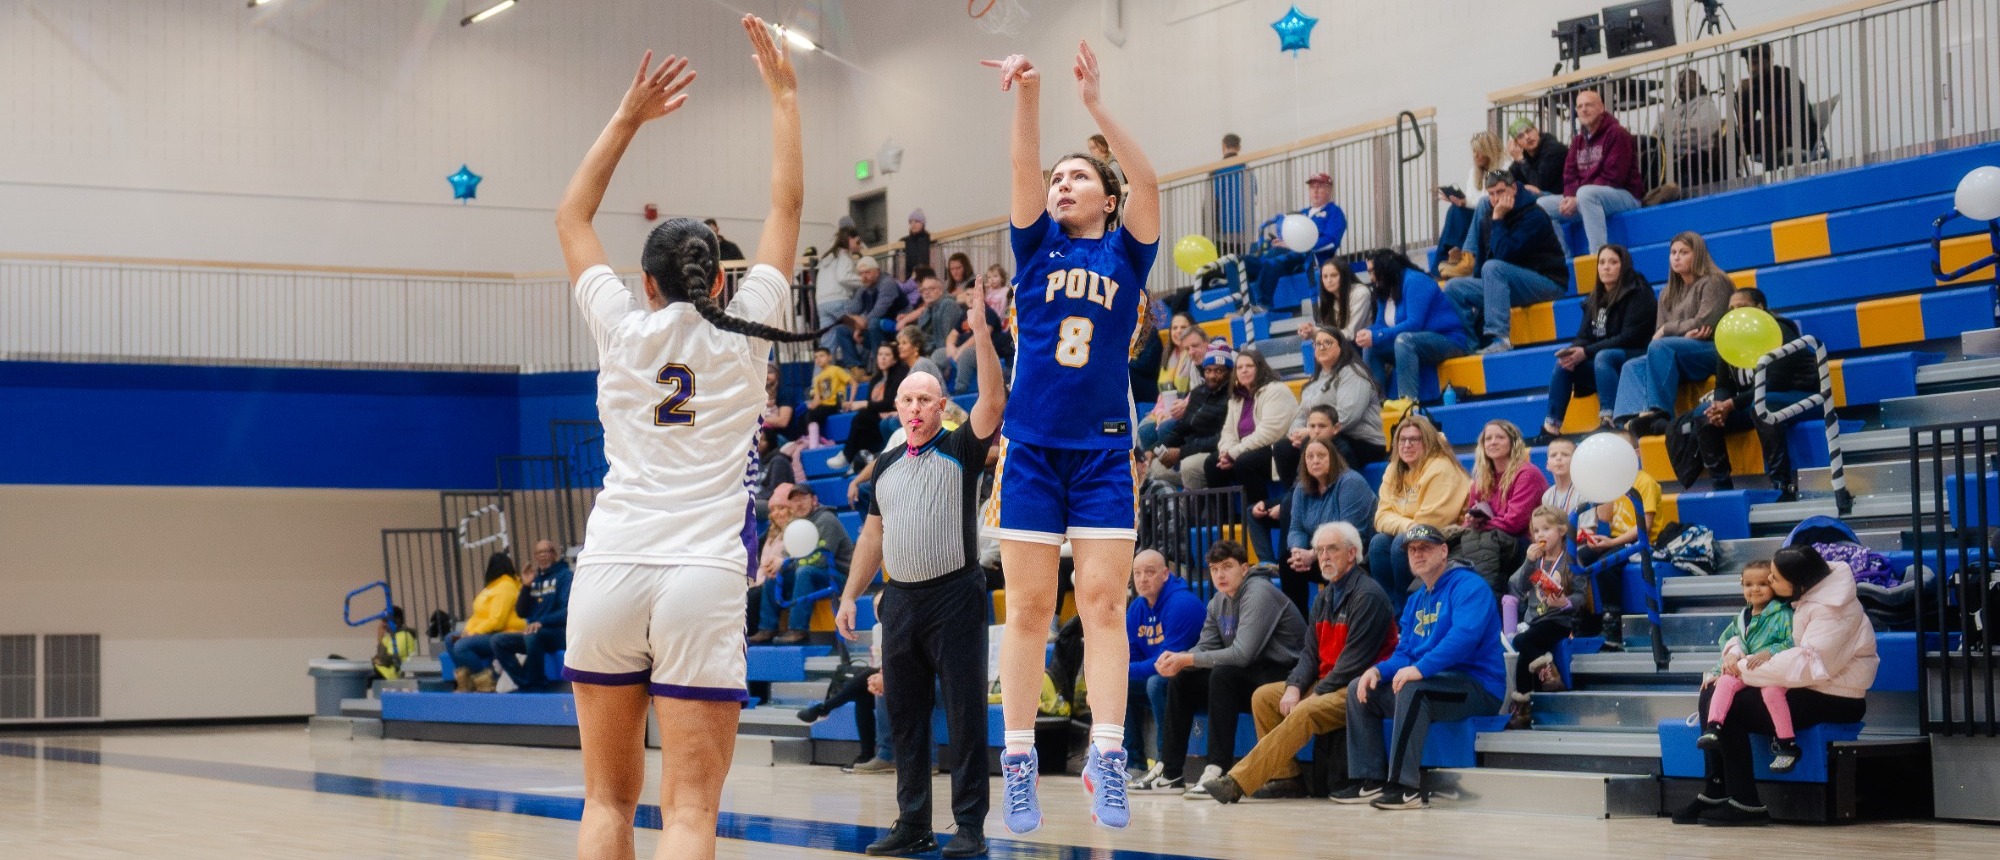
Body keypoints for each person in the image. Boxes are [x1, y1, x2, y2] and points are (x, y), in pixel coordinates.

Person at [551, 21, 825, 859]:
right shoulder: (747, 333)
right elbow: (787, 206)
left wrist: (630, 117)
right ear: (721, 277)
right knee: (692, 814)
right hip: (699, 578)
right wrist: (783, 97)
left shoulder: (620, 328)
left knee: (606, 805)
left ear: (645, 281)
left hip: (610, 568)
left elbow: (571, 214)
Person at [982, 40, 1161, 832]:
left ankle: (1109, 756)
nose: (1061, 182)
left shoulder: (1128, 251)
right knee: (1025, 608)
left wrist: (1094, 110)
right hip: (1029, 449)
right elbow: (1022, 171)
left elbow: (1150, 179)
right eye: (1058, 177)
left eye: (1077, 175)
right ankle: (1018, 760)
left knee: (1102, 604)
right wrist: (1028, 96)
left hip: (1100, 451)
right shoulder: (1033, 247)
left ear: (1107, 198)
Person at [828, 277, 1005, 858]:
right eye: (906, 399)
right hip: (898, 599)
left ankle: (971, 827)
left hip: (955, 594)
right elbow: (873, 534)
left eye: (925, 399)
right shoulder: (883, 466)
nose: (914, 407)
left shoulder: (960, 447)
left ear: (940, 406)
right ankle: (913, 823)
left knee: (963, 713)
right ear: (897, 407)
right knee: (903, 715)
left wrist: (980, 335)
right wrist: (853, 593)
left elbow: (994, 404)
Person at [1200, 521, 1396, 803]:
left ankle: (1237, 781)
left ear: (1352, 554)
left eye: (1332, 549)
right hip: (1328, 682)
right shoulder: (1325, 596)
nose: (1325, 556)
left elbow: (1353, 664)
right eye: (1320, 550)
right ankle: (1286, 778)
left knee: (1305, 711)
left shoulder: (1368, 596)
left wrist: (1312, 695)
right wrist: (1294, 687)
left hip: (1360, 687)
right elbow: (1308, 653)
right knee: (1264, 697)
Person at [1678, 545, 1875, 826]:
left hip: (1836, 696)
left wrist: (1740, 668)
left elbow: (1808, 666)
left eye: (1774, 578)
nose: (1768, 582)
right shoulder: (1806, 596)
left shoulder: (1835, 611)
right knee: (1712, 690)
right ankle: (1716, 790)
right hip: (1804, 687)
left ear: (1797, 584)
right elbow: (1749, 640)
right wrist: (1729, 661)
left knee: (1731, 705)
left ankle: (1745, 802)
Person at [1332, 524, 1505, 810]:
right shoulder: (1415, 600)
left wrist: (1421, 668)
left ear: (1443, 551)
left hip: (1477, 688)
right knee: (1360, 689)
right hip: (1434, 682)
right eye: (1412, 550)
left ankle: (1405, 786)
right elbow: (1404, 653)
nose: (1417, 554)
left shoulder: (1471, 587)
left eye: (1425, 548)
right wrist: (1377, 671)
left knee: (1413, 688)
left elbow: (1464, 637)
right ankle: (1369, 779)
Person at [1143, 540, 1306, 796]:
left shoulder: (1259, 592)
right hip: (1250, 673)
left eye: (1227, 567)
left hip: (1285, 672)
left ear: (1245, 568)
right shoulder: (1218, 602)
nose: (1220, 574)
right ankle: (1171, 770)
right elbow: (1205, 647)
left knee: (1223, 674)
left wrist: (1187, 659)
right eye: (1214, 568)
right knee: (1183, 678)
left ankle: (1216, 768)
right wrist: (1178, 659)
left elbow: (1242, 654)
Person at [1681, 288, 1816, 501]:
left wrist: (1731, 405)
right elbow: (1724, 383)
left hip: (1800, 396)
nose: (1735, 313)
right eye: (1731, 309)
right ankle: (1722, 489)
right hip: (1756, 401)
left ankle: (1782, 485)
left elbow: (1774, 383)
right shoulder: (1729, 337)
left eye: (1741, 307)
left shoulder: (1780, 330)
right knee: (1704, 413)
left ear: (1760, 308)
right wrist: (1719, 406)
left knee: (1764, 405)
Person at [1532, 244, 1656, 443]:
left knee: (1603, 356)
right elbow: (1583, 335)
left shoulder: (1639, 292)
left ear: (1624, 266)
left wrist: (1586, 351)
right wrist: (1573, 351)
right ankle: (1551, 427)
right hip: (1604, 364)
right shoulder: (1596, 296)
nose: (1606, 267)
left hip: (1636, 357)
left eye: (1613, 262)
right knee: (1564, 365)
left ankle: (1609, 420)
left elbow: (1630, 336)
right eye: (1602, 262)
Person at [1619, 232, 1734, 437]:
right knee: (1631, 366)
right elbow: (1660, 336)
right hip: (1677, 353)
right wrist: (1678, 336)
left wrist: (1668, 330)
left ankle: (1659, 414)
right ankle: (1627, 425)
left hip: (1712, 350)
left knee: (1659, 347)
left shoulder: (1715, 282)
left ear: (1697, 254)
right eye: (1673, 252)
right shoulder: (1667, 292)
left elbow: (1704, 324)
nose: (1676, 257)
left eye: (1683, 252)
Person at [1444, 171, 1568, 354]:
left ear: (1514, 188)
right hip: (1509, 284)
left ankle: (1501, 338)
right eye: (1491, 194)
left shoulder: (1533, 214)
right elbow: (1484, 259)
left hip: (1546, 282)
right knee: (1454, 287)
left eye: (1501, 192)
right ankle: (1471, 345)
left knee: (1494, 268)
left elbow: (1504, 255)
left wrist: (1498, 220)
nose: (1496, 199)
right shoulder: (1490, 216)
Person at [1695, 561, 1801, 771]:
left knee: (1772, 693)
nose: (1755, 589)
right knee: (1724, 681)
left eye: (1762, 583)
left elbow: (1794, 641)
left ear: (1774, 585)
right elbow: (1731, 645)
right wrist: (1718, 670)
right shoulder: (1742, 618)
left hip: (1775, 671)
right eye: (1749, 584)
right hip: (1748, 670)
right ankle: (1713, 727)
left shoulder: (1784, 614)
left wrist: (1769, 652)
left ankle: (1787, 744)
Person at [1204, 348, 1300, 563]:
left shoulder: (1276, 390)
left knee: (1245, 462)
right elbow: (1227, 432)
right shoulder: (1236, 399)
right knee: (1212, 464)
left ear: (1260, 368)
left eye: (1249, 366)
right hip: (1246, 450)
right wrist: (1225, 452)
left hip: (1277, 450)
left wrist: (1234, 453)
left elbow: (1270, 432)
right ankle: (1228, 525)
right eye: (1240, 367)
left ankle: (1258, 513)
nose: (1244, 370)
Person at [1368, 414, 1470, 611]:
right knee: (1378, 544)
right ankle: (1391, 612)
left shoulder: (1441, 468)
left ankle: (1409, 608)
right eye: (1402, 439)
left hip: (1450, 534)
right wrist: (1408, 524)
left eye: (1414, 439)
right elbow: (1380, 517)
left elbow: (1428, 522)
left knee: (1402, 543)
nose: (1407, 445)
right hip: (1412, 531)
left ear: (1428, 442)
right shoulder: (1393, 470)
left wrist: (1403, 523)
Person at [1123, 550, 1206, 778]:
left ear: (1165, 574)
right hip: (1159, 676)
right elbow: (1131, 654)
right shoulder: (1137, 608)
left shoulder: (1182, 604)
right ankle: (1134, 763)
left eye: (1150, 572)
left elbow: (1165, 663)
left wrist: (1120, 671)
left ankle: (1164, 761)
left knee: (1155, 683)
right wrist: (1117, 675)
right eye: (1137, 573)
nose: (1142, 579)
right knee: (1120, 686)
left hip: (1192, 679)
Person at [1505, 507, 1588, 728]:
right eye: (1536, 530)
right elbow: (1517, 586)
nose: (1540, 535)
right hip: (1535, 621)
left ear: (1562, 531)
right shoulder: (1535, 559)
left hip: (1559, 621)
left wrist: (1566, 603)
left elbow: (1581, 594)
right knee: (1524, 645)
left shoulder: (1571, 558)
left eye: (1546, 529)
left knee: (1522, 642)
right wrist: (1528, 562)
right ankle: (1547, 674)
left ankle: (1522, 708)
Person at [1274, 437, 1377, 617]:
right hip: (1322, 553)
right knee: (1288, 562)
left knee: (1335, 556)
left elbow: (1350, 533)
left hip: (1356, 554)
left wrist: (1313, 554)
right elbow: (1296, 527)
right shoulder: (1301, 489)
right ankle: (1299, 627)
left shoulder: (1351, 482)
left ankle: (1338, 621)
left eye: (1321, 455)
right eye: (1310, 457)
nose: (1315, 461)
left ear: (1333, 457)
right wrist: (1298, 551)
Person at [1536, 90, 1644, 258]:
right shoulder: (1578, 141)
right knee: (1542, 205)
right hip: (1587, 199)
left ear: (1601, 108)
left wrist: (1578, 197)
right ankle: (1563, 260)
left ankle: (1599, 256)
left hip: (1624, 196)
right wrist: (1571, 197)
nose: (1584, 109)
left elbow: (1614, 176)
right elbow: (1569, 175)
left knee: (1586, 193)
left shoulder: (1616, 133)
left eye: (1589, 105)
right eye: (1580, 106)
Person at [1355, 249, 1470, 401]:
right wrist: (1367, 333)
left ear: (1385, 267)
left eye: (1372, 271)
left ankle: (1408, 402)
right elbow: (1381, 325)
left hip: (1447, 340)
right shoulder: (1385, 288)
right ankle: (1377, 404)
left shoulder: (1416, 281)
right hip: (1414, 342)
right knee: (1371, 346)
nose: (1370, 277)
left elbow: (1414, 323)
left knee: (1404, 340)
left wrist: (1378, 335)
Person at [1277, 326, 1385, 481]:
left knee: (1315, 441)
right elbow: (1302, 415)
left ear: (1341, 347)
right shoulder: (1314, 381)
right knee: (1284, 448)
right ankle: (1296, 497)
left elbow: (1348, 416)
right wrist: (1295, 434)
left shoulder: (1353, 373)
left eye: (1327, 343)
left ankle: (1347, 491)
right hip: (1327, 436)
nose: (1322, 347)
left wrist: (1310, 432)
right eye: (1318, 344)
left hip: (1362, 441)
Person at [1235, 172, 1348, 313]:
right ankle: (1244, 306)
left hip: (1308, 257)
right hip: (1284, 253)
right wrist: (1281, 241)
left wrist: (1296, 245)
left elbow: (1331, 242)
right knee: (1235, 262)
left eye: (1320, 187)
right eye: (1312, 187)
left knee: (1273, 263)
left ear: (1329, 190)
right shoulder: (1302, 213)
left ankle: (1262, 304)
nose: (1315, 190)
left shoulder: (1334, 213)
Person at [1462, 419, 1550, 561]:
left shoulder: (1527, 473)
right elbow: (1472, 515)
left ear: (1513, 442)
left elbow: (1513, 523)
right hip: (1494, 538)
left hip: (1526, 543)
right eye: (1488, 438)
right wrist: (1471, 521)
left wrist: (1481, 525)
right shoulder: (1481, 479)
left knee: (1483, 543)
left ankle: (1485, 584)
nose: (1493, 442)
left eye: (1500, 437)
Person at [492, 539, 572, 693]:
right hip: (535, 634)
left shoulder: (565, 576)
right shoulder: (534, 580)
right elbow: (521, 612)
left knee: (532, 635)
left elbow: (567, 612)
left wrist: (541, 622)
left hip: (559, 633)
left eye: (546, 551)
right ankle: (525, 683)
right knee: (498, 641)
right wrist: (526, 587)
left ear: (554, 554)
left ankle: (536, 684)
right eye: (538, 553)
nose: (542, 555)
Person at [1152, 343, 1234, 489]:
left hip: (1217, 451)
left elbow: (1222, 437)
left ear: (1229, 372)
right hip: (1190, 449)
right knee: (1156, 466)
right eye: (1208, 371)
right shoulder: (1198, 393)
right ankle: (1184, 499)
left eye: (1219, 371)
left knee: (1188, 466)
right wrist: (1158, 449)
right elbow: (1182, 428)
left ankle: (1196, 509)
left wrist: (1181, 452)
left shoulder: (1233, 396)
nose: (1212, 376)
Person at [1734, 43, 1822, 171]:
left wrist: (1751, 127)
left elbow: (1783, 115)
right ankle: (1729, 186)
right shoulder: (1755, 87)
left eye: (1755, 63)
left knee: (1766, 130)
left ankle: (1771, 182)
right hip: (1774, 135)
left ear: (1768, 60)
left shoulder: (1786, 77)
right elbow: (1745, 125)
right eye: (1749, 64)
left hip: (1801, 135)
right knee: (1731, 137)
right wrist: (1740, 96)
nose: (1751, 69)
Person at [1434, 131, 1510, 276]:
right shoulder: (1473, 173)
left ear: (1489, 151)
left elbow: (1488, 200)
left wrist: (1466, 203)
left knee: (1458, 211)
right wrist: (1460, 201)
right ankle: (1451, 258)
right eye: (1473, 152)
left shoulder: (1504, 168)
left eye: (1479, 152)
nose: (1475, 156)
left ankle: (1459, 258)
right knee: (1454, 210)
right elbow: (1471, 199)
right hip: (1478, 214)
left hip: (1495, 214)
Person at [451, 553, 528, 692]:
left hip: (505, 634)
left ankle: (486, 681)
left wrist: (473, 633)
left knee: (461, 646)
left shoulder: (506, 586)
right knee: (449, 639)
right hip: (488, 633)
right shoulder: (490, 588)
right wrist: (466, 631)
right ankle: (466, 682)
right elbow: (477, 616)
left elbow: (497, 621)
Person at [939, 271, 1016, 396]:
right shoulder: (964, 315)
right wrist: (950, 347)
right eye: (968, 294)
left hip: (984, 350)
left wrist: (960, 350)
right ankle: (938, 391)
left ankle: (959, 392)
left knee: (967, 354)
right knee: (938, 354)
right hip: (961, 349)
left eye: (973, 294)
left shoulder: (988, 313)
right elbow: (952, 335)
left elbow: (980, 336)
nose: (970, 298)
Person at [833, 344, 908, 471]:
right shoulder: (876, 379)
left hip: (891, 415)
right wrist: (855, 405)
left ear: (894, 359)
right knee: (862, 421)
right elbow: (871, 405)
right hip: (876, 417)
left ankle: (847, 455)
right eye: (880, 355)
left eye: (887, 355)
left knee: (861, 418)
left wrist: (864, 404)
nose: (882, 358)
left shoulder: (899, 375)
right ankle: (857, 460)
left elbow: (890, 402)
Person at [1138, 321, 1210, 451]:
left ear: (1207, 342)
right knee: (1145, 430)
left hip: (1202, 412)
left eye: (1195, 346)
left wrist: (1186, 406)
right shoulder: (1172, 358)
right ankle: (1153, 462)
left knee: (1166, 427)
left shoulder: (1213, 362)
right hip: (1180, 408)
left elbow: (1200, 394)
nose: (1191, 351)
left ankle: (1168, 463)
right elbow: (1165, 393)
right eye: (1187, 348)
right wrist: (1162, 412)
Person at [1658, 69, 1726, 187]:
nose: (1681, 85)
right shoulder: (1673, 111)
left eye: (1685, 81)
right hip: (1672, 155)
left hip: (1699, 156)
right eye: (1678, 82)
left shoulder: (1707, 105)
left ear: (1698, 83)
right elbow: (1657, 135)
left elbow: (1697, 133)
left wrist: (1670, 129)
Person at [1295, 259, 1374, 339]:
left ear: (1344, 276)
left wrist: (1317, 332)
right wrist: (1311, 332)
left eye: (1334, 275)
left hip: (1363, 347)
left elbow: (1351, 334)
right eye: (1325, 277)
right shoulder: (1327, 299)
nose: (1329, 280)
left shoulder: (1360, 293)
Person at [1213, 132, 1255, 256]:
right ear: (1239, 148)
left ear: (1223, 146)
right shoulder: (1248, 170)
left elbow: (1212, 202)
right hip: (1246, 231)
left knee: (1225, 268)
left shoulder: (1216, 172)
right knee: (1244, 268)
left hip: (1224, 232)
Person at [817, 225, 868, 326]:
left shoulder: (828, 257)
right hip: (839, 300)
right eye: (858, 242)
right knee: (853, 329)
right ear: (850, 239)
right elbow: (843, 277)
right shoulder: (844, 256)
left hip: (822, 302)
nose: (860, 245)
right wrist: (863, 280)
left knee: (828, 337)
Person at [1506, 118, 1568, 198]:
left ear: (1536, 130)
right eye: (1521, 136)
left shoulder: (1554, 149)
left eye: (1529, 131)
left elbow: (1540, 184)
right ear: (1516, 143)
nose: (1527, 137)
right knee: (1486, 201)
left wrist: (1521, 160)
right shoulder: (1525, 155)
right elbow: (1508, 179)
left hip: (1560, 197)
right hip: (1540, 197)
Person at [372, 605, 418, 681]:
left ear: (397, 620)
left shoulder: (404, 636)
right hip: (381, 672)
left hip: (390, 675)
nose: (382, 624)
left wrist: (380, 639)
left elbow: (385, 661)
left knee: (357, 675)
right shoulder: (388, 637)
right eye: (383, 620)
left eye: (385, 620)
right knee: (350, 668)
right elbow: (378, 659)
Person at [1539, 437, 1584, 513]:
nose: (1558, 458)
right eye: (1553, 455)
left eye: (1565, 454)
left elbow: (1588, 525)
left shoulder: (1583, 493)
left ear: (1576, 461)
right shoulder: (1547, 496)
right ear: (1547, 465)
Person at [900, 209, 933, 278]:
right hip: (908, 280)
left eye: (917, 221)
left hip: (927, 278)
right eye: (911, 222)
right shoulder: (903, 242)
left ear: (923, 224)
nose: (913, 224)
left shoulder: (931, 241)